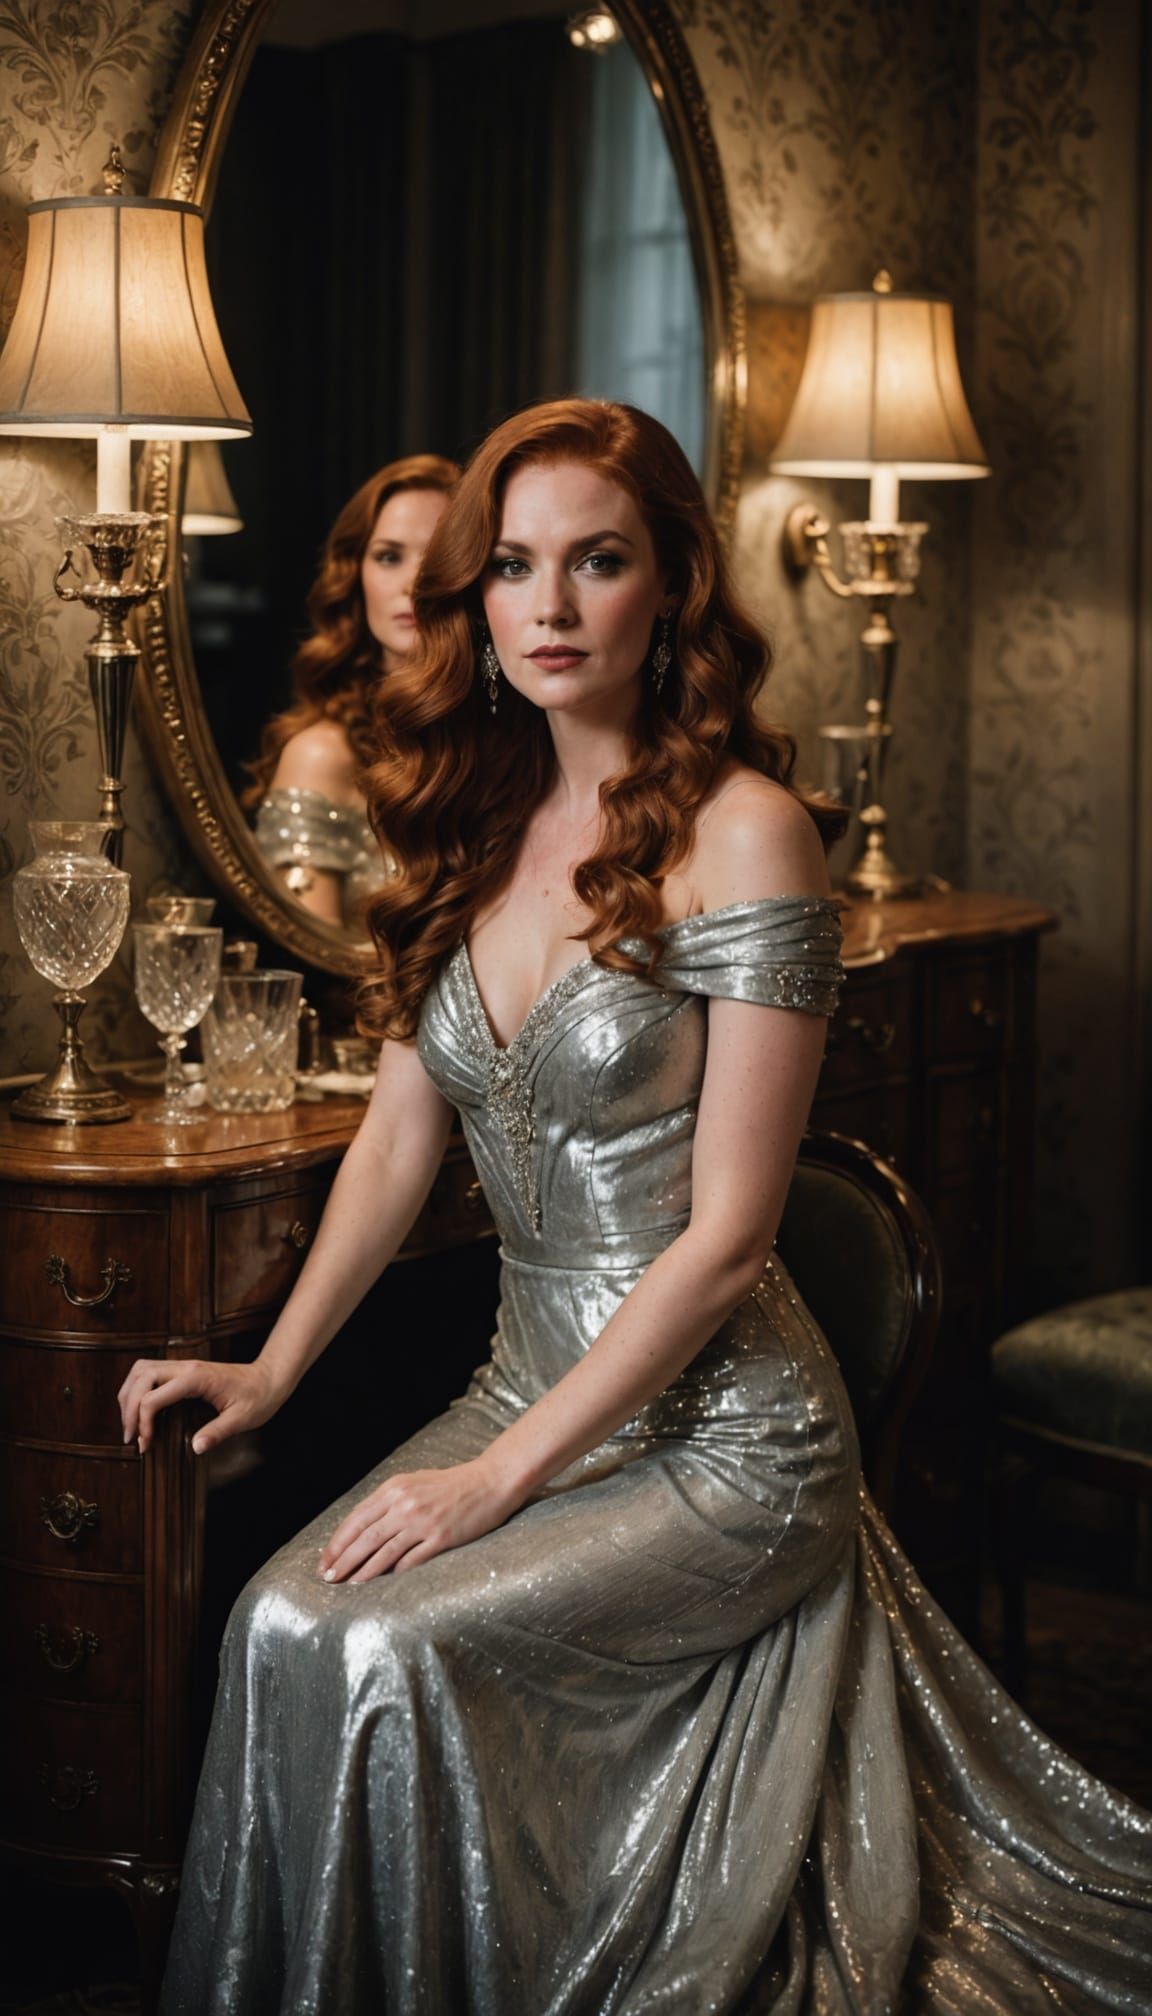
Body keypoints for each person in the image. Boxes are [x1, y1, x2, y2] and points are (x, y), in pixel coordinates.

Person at [122, 399, 1151, 2014]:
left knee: (386, 1645)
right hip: (522, 1376)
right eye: (510, 568)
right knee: (275, 1625)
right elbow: (399, 1145)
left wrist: (488, 1488)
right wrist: (273, 1370)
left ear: (668, 581)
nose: (544, 606)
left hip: (722, 1437)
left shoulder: (750, 835)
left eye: (592, 562)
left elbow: (731, 1239)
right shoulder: (457, 819)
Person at [245, 452, 459, 926]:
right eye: (388, 557)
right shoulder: (322, 756)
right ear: (356, 574)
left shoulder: (519, 744)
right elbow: (308, 957)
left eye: (438, 557)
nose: (412, 583)